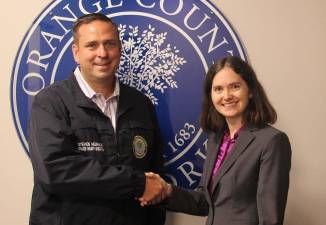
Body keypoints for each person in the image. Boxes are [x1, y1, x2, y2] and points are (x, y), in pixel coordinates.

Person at [28, 13, 167, 225]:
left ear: (119, 49)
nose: (102, 53)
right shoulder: (51, 103)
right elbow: (56, 171)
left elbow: (155, 177)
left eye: (110, 43)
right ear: (76, 52)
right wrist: (136, 183)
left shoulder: (141, 104)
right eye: (92, 45)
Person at [142, 56, 292, 225]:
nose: (226, 96)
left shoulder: (271, 141)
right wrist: (166, 190)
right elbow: (205, 203)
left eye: (235, 87)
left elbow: (270, 219)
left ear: (250, 91)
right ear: (211, 96)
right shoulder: (216, 140)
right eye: (218, 89)